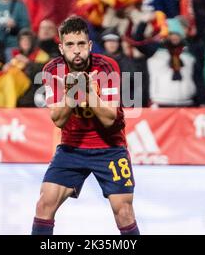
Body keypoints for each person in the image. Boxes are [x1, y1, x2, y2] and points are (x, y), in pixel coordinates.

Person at [32, 16, 139, 235]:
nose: (77, 50)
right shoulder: (52, 70)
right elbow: (58, 120)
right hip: (72, 147)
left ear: (89, 45)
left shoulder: (107, 67)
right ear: (61, 48)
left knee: (124, 211)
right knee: (45, 204)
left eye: (81, 44)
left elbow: (110, 119)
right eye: (70, 45)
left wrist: (88, 92)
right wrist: (73, 93)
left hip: (110, 148)